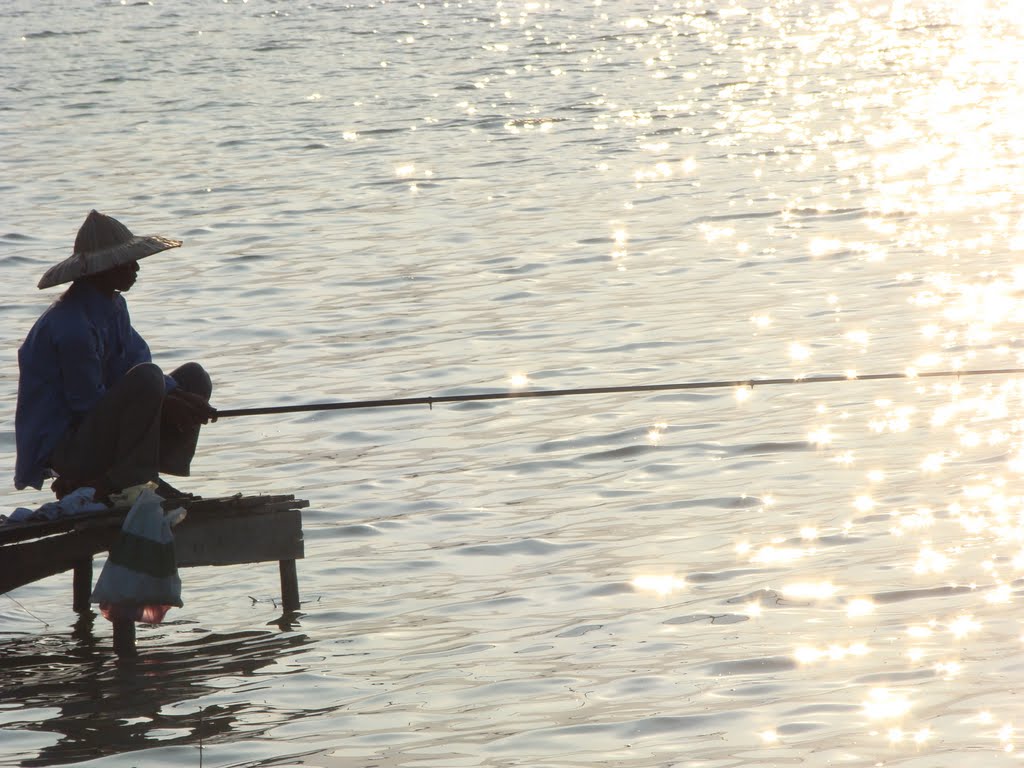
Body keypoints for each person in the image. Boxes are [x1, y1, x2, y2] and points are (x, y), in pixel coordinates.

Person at [14, 210, 217, 501]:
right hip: (70, 450)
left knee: (193, 378)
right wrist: (165, 404)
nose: (136, 268)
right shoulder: (72, 328)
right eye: (126, 262)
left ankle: (141, 475)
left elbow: (135, 362)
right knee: (149, 380)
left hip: (99, 435)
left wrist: (180, 398)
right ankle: (124, 480)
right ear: (102, 269)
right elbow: (86, 403)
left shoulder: (114, 307)